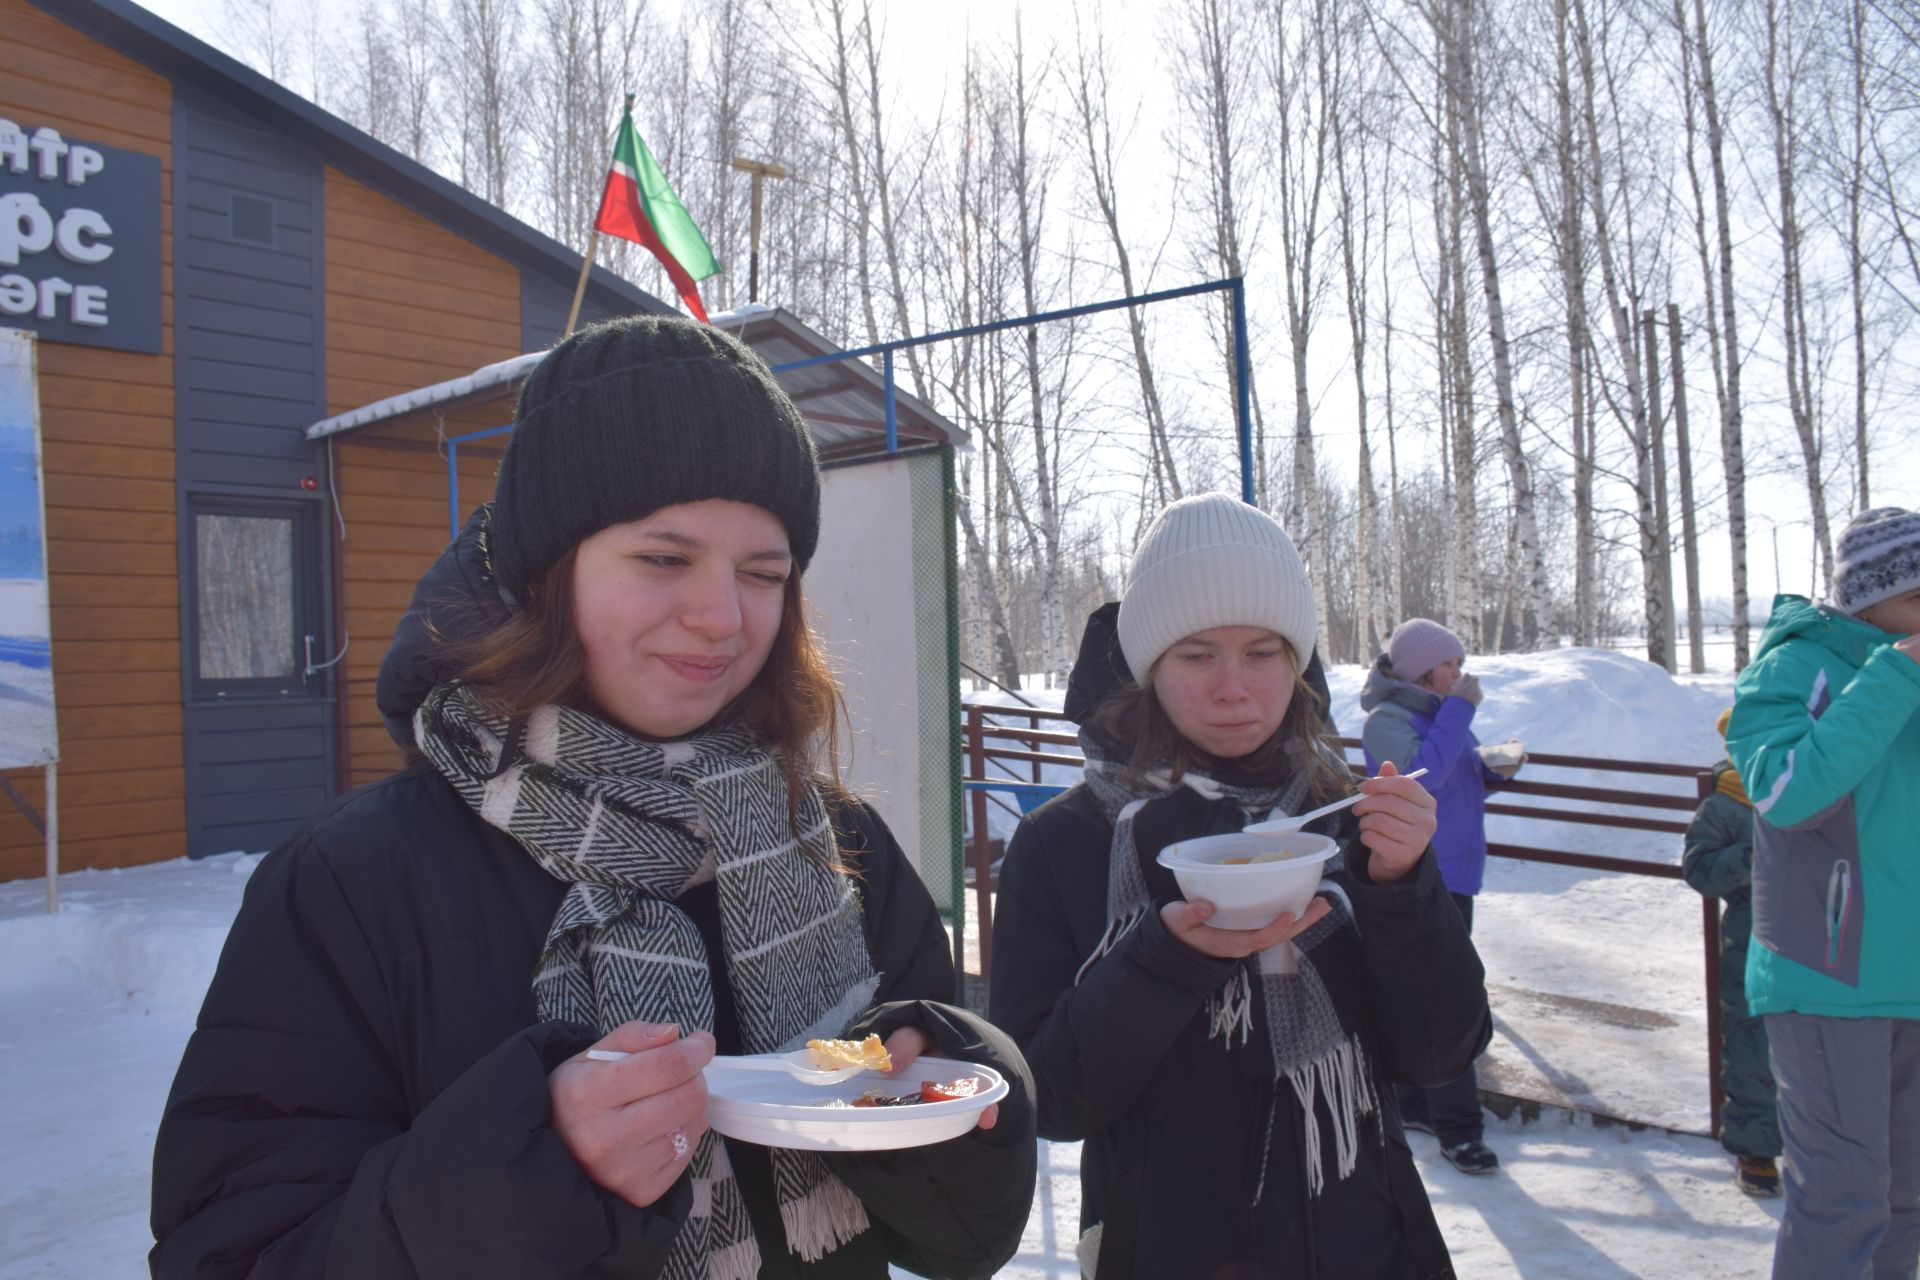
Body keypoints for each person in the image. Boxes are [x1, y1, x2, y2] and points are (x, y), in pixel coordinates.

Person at [150, 316, 1036, 1280]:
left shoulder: (833, 839)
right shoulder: (356, 882)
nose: (722, 616)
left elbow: (961, 1242)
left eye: (764, 573)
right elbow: (233, 1251)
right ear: (547, 575)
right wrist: (530, 1174)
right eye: (664, 558)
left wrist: (950, 1086)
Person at [989, 492, 1491, 1280]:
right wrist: (1164, 959)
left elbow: (1440, 1052)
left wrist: (1399, 885)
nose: (1235, 689)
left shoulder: (1345, 815)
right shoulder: (1065, 843)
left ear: (1297, 663)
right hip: (1163, 1248)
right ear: (1150, 668)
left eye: (1263, 653)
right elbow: (1046, 1097)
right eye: (1196, 656)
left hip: (1367, 1242)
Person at [1727, 506, 1920, 1280]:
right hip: (1828, 976)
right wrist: (1896, 676)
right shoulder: (1793, 665)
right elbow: (1787, 792)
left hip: (1908, 976)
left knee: (1907, 1198)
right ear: (1871, 598)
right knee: (1842, 1203)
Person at [1358, 618, 1516, 1176]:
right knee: (1449, 995)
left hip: (1456, 871)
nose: (1461, 673)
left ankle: (1420, 1104)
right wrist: (1460, 713)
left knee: (1433, 987)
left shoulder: (1434, 714)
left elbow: (1453, 774)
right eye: (1452, 663)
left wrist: (1494, 772)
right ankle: (1459, 1129)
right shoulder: (1388, 720)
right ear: (1425, 669)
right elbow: (1421, 780)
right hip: (1425, 873)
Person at [1681, 709, 1781, 1198]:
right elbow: (1700, 870)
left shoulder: (1819, 784)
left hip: (1826, 939)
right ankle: (1756, 1149)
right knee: (1750, 1046)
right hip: (1751, 941)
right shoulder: (1725, 801)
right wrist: (1756, 855)